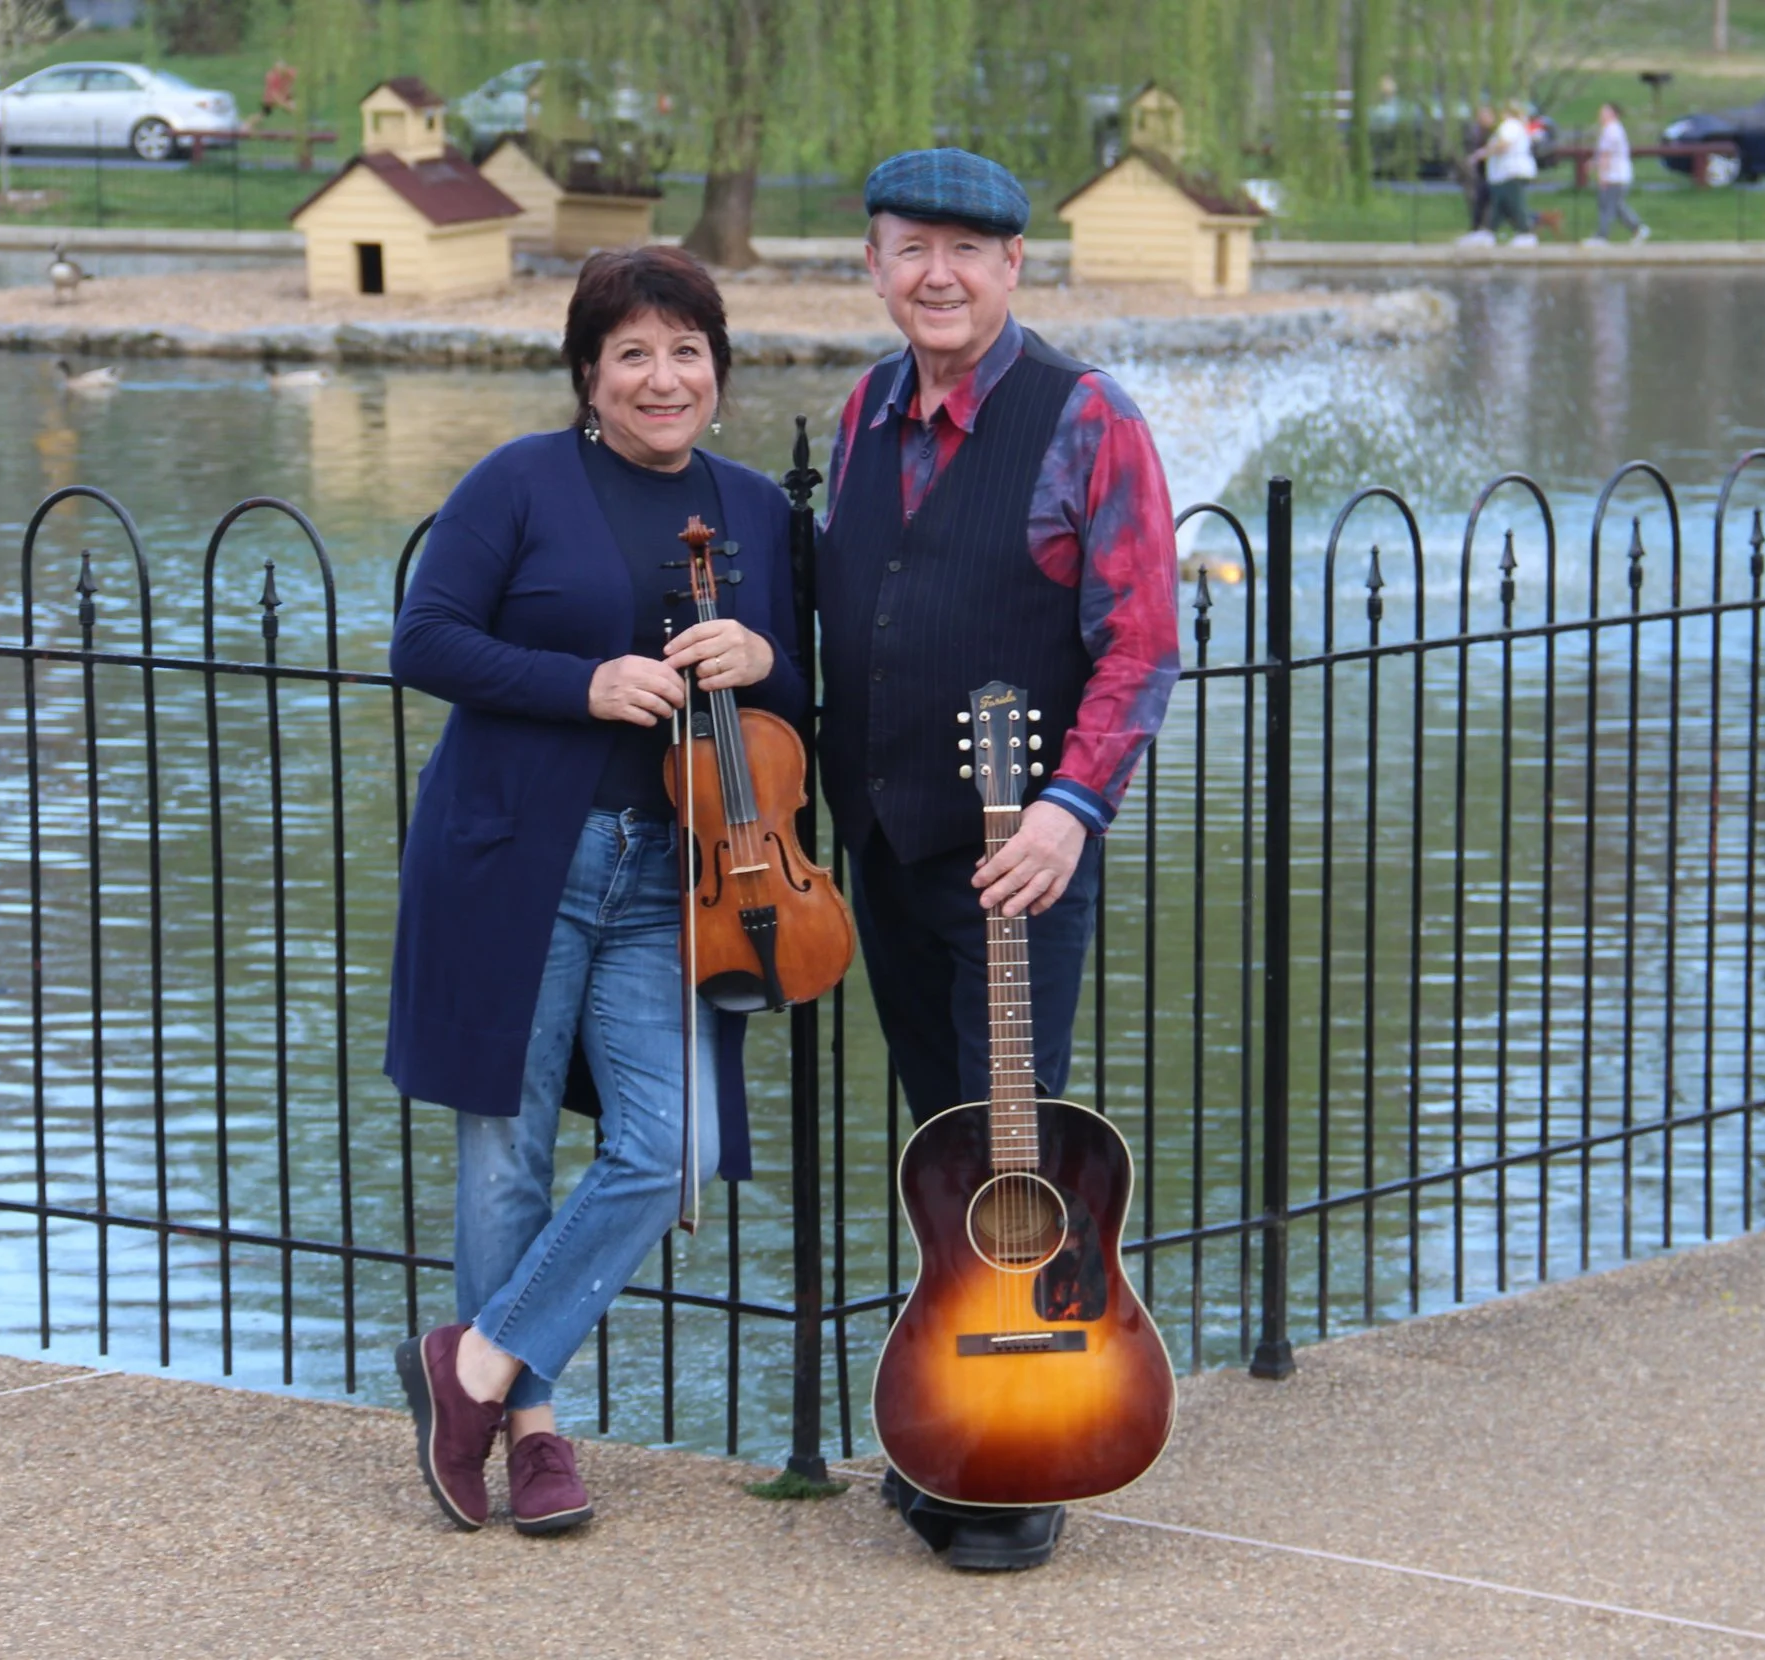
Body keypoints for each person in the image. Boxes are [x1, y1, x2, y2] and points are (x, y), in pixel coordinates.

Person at [385, 246, 806, 1536]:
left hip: (677, 879)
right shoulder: (520, 480)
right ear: (588, 374)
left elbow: (800, 714)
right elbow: (426, 638)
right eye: (632, 353)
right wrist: (579, 683)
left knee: (666, 1146)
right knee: (506, 1149)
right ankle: (534, 1434)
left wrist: (767, 648)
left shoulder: (759, 516)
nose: (661, 376)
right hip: (520, 854)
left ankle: (471, 1362)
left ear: (718, 375)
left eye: (686, 351)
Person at [817, 147, 1179, 1572]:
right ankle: (955, 1423)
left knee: (1005, 1133)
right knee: (939, 1141)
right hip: (889, 842)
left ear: (1016, 266)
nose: (939, 275)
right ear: (875, 262)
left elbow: (1142, 643)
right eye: (911, 248)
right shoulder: (863, 411)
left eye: (969, 251)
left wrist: (1069, 808)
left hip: (1022, 857)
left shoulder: (1087, 418)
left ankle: (1016, 1460)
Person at [1473, 103, 1539, 245]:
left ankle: (1525, 233)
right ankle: (1489, 232)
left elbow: (1504, 144)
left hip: (1511, 171)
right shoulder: (1513, 126)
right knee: (1500, 203)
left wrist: (1486, 152)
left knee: (1514, 202)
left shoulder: (1510, 125)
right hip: (1503, 174)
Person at [1586, 101, 1651, 246]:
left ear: (1613, 114)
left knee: (1606, 205)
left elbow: (1606, 155)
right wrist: (1593, 163)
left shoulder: (1611, 130)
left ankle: (1602, 236)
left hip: (1614, 175)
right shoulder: (1614, 129)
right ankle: (1638, 228)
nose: (1601, 114)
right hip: (1619, 175)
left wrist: (1602, 175)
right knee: (1616, 206)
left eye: (1604, 111)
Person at [1455, 104, 1496, 245]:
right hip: (1482, 174)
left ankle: (1486, 232)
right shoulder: (1476, 132)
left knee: (1498, 204)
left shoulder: (1494, 133)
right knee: (1479, 202)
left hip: (1493, 173)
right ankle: (1478, 231)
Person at [254, 59, 297, 130]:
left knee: (295, 109)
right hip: (271, 99)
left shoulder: (290, 72)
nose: (281, 71)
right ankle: (247, 126)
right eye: (278, 69)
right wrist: (285, 105)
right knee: (263, 114)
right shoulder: (272, 77)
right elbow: (274, 95)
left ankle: (301, 126)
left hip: (285, 95)